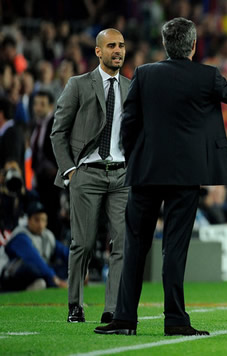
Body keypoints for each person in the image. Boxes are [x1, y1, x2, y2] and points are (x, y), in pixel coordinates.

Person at [94, 17, 227, 337]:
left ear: (166, 45)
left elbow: (129, 123)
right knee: (174, 249)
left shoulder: (144, 73)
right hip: (185, 176)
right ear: (194, 46)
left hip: (145, 173)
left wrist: (135, 159)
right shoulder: (206, 76)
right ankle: (175, 320)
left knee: (135, 246)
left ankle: (125, 318)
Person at [50, 29, 130, 323]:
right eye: (111, 46)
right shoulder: (79, 84)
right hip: (87, 173)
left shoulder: (131, 88)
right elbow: (58, 132)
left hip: (121, 176)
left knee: (121, 244)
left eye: (121, 45)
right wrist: (70, 170)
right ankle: (75, 305)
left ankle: (112, 309)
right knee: (82, 244)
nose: (117, 50)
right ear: (98, 51)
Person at [0, 201, 68, 292]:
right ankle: (29, 287)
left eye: (43, 220)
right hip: (9, 275)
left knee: (66, 267)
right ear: (28, 220)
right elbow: (33, 259)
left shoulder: (47, 235)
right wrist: (54, 278)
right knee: (33, 267)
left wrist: (80, 268)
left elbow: (64, 252)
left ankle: (40, 284)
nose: (40, 224)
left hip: (38, 273)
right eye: (36, 220)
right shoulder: (20, 235)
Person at [30, 90, 62, 237]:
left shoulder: (56, 123)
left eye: (42, 104)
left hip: (53, 181)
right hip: (40, 180)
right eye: (36, 104)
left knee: (52, 218)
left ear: (50, 106)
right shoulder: (35, 125)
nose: (38, 108)